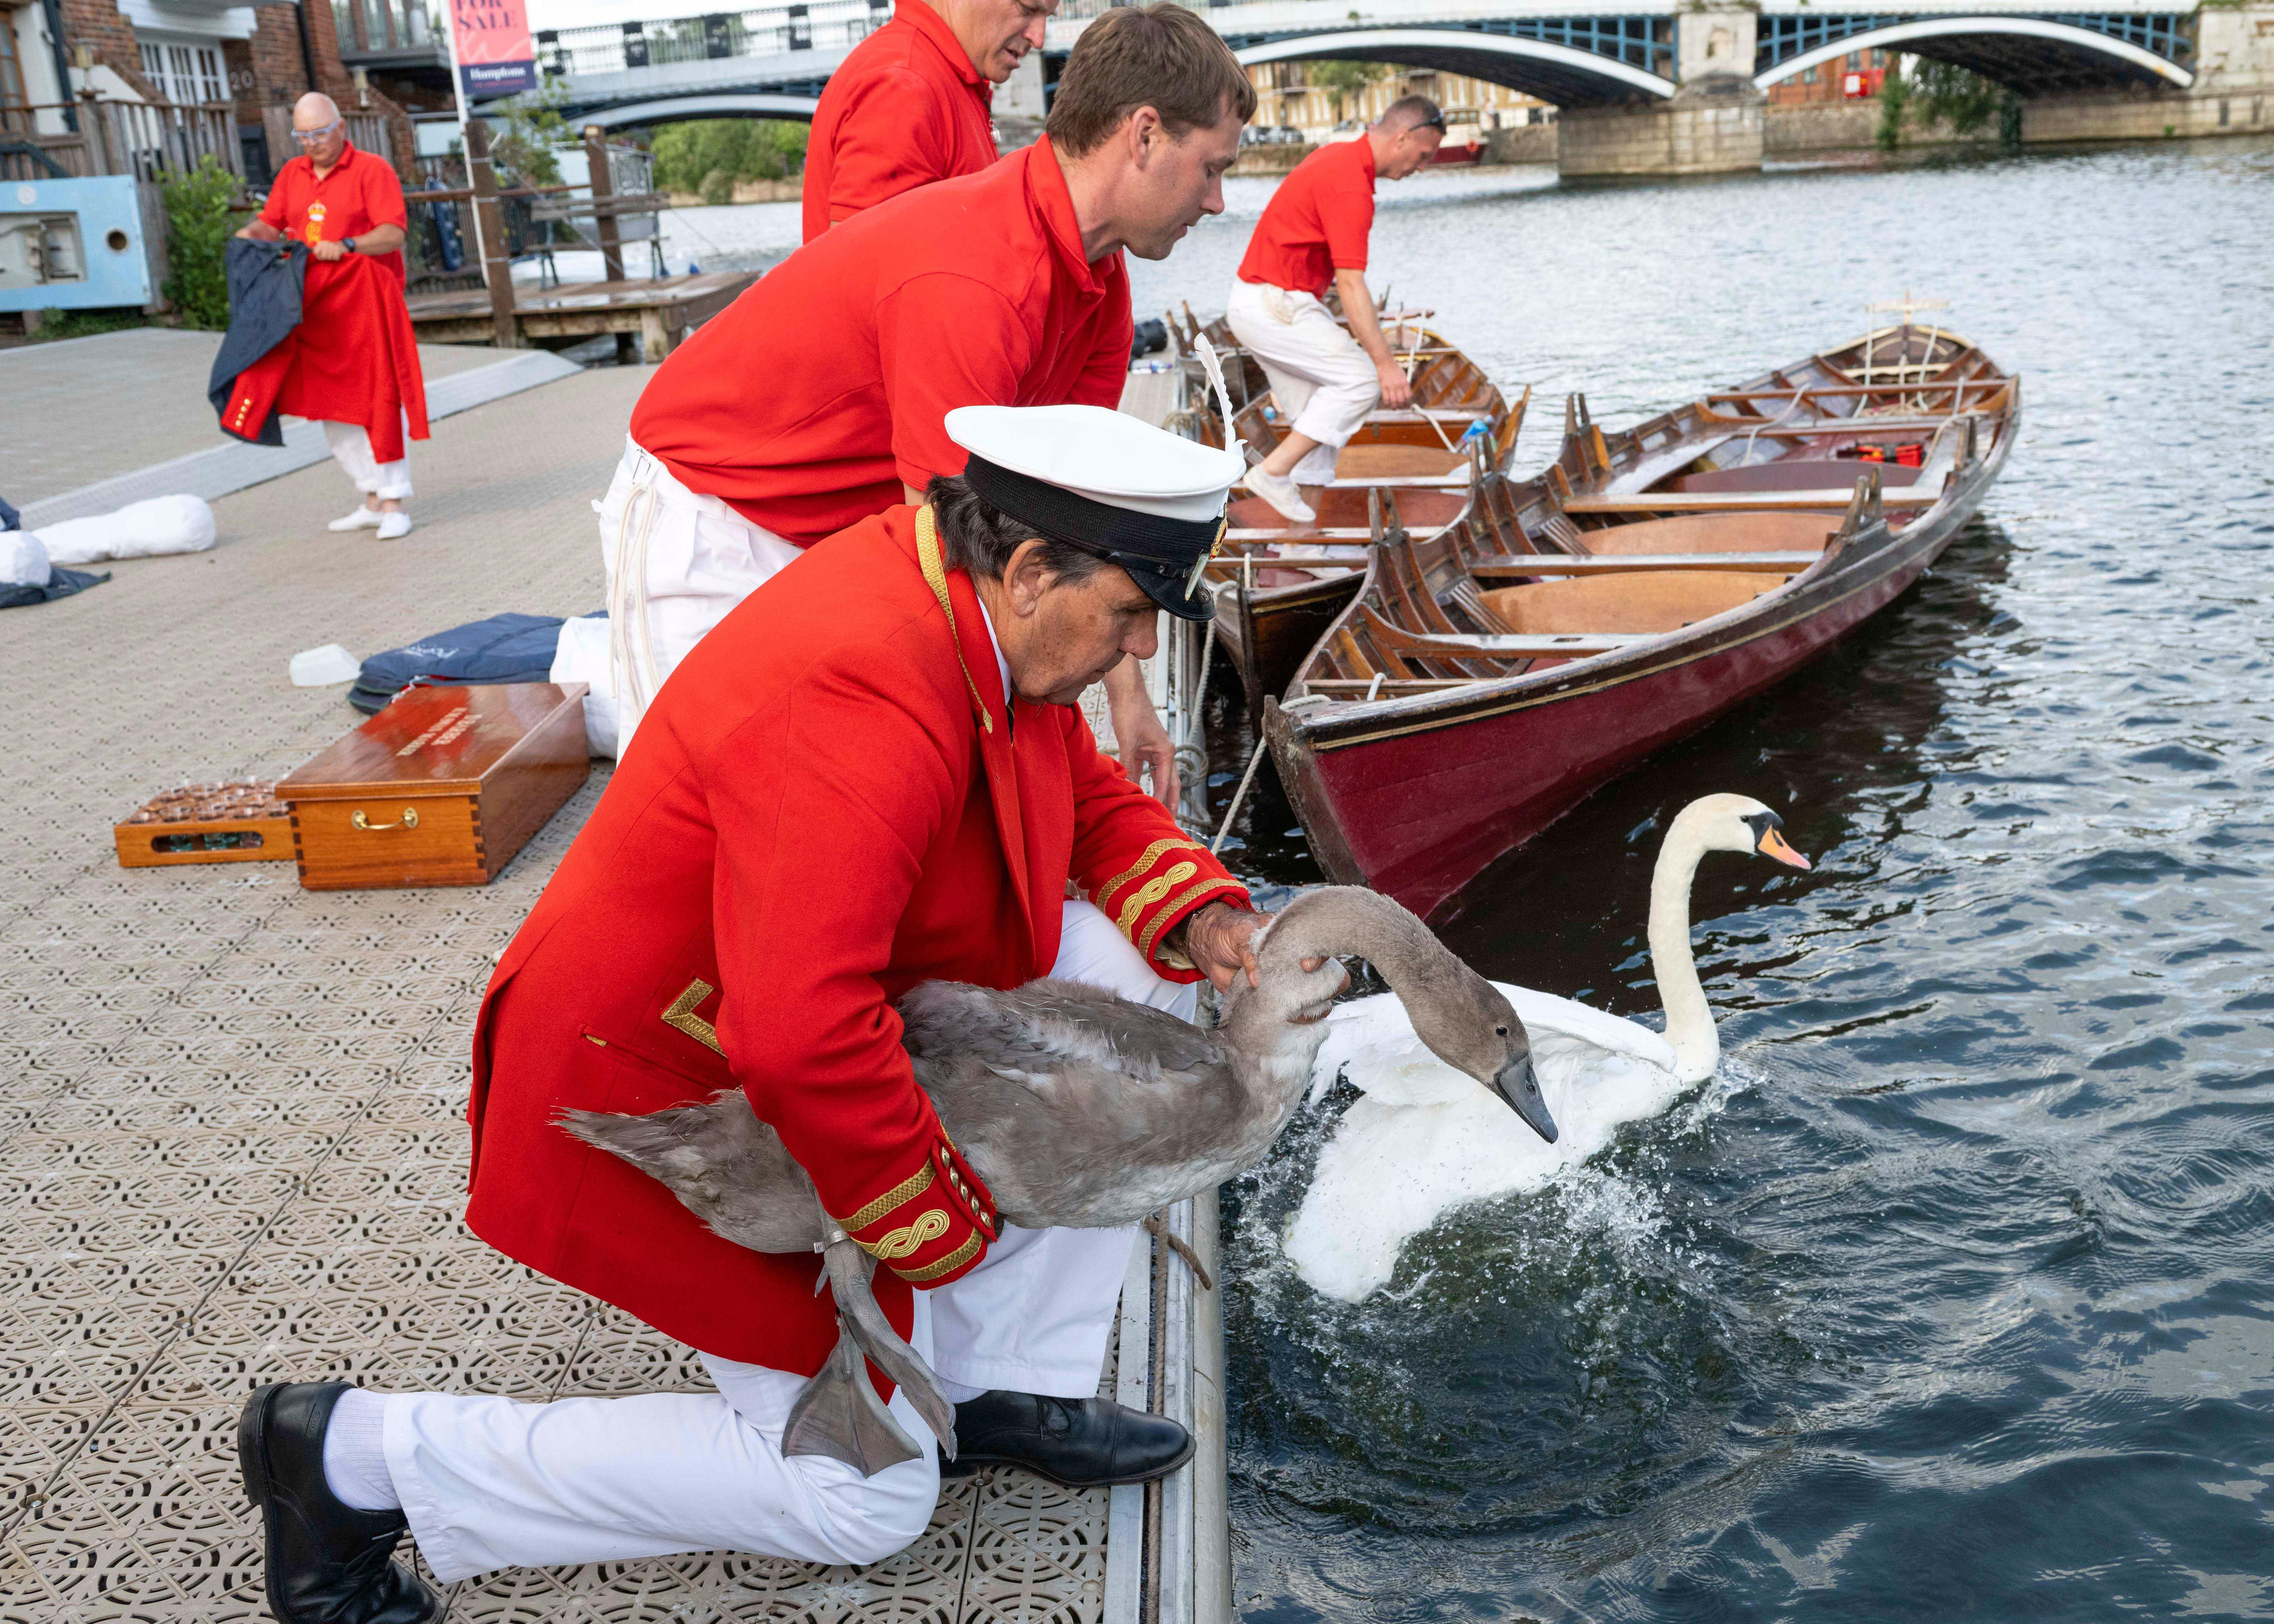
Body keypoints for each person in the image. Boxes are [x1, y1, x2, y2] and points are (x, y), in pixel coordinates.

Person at [236, 404, 1270, 1623]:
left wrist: (1206, 915)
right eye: (1134, 613)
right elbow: (804, 1032)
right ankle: (355, 1457)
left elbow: (1084, 795)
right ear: (1036, 567)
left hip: (780, 1033)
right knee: (862, 1506)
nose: (1140, 647)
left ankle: (988, 1387)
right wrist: (939, 1218)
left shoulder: (970, 597)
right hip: (669, 1082)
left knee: (1143, 968)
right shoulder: (863, 686)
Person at [602, 3, 1254, 804]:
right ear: (1144, 135)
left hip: (833, 521)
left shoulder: (1100, 281)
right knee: (688, 800)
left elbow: (1083, 523)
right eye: (1214, 168)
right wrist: (1055, 783)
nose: (1218, 201)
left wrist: (1130, 705)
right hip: (714, 509)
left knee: (816, 794)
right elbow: (946, 560)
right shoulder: (977, 275)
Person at [1223, 96, 1445, 525]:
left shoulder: (1339, 158)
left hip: (1263, 304)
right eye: (1423, 156)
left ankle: (1294, 560)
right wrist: (1386, 366)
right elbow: (1350, 284)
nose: (1423, 167)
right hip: (1276, 303)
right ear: (1401, 138)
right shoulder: (1351, 186)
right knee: (1361, 381)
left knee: (1318, 438)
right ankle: (1270, 471)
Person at [234, 92, 426, 541]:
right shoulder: (293, 173)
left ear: (341, 128)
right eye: (304, 136)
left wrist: (349, 245)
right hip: (314, 304)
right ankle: (371, 496)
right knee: (329, 403)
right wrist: (251, 234)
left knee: (377, 398)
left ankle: (395, 500)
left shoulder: (371, 170)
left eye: (320, 133)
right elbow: (273, 222)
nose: (313, 144)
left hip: (366, 303)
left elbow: (392, 233)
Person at [802, 0, 1054, 243]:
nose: (1039, 38)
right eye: (1028, 8)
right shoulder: (903, 88)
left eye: (1048, 16)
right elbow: (864, 274)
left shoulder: (936, 74)